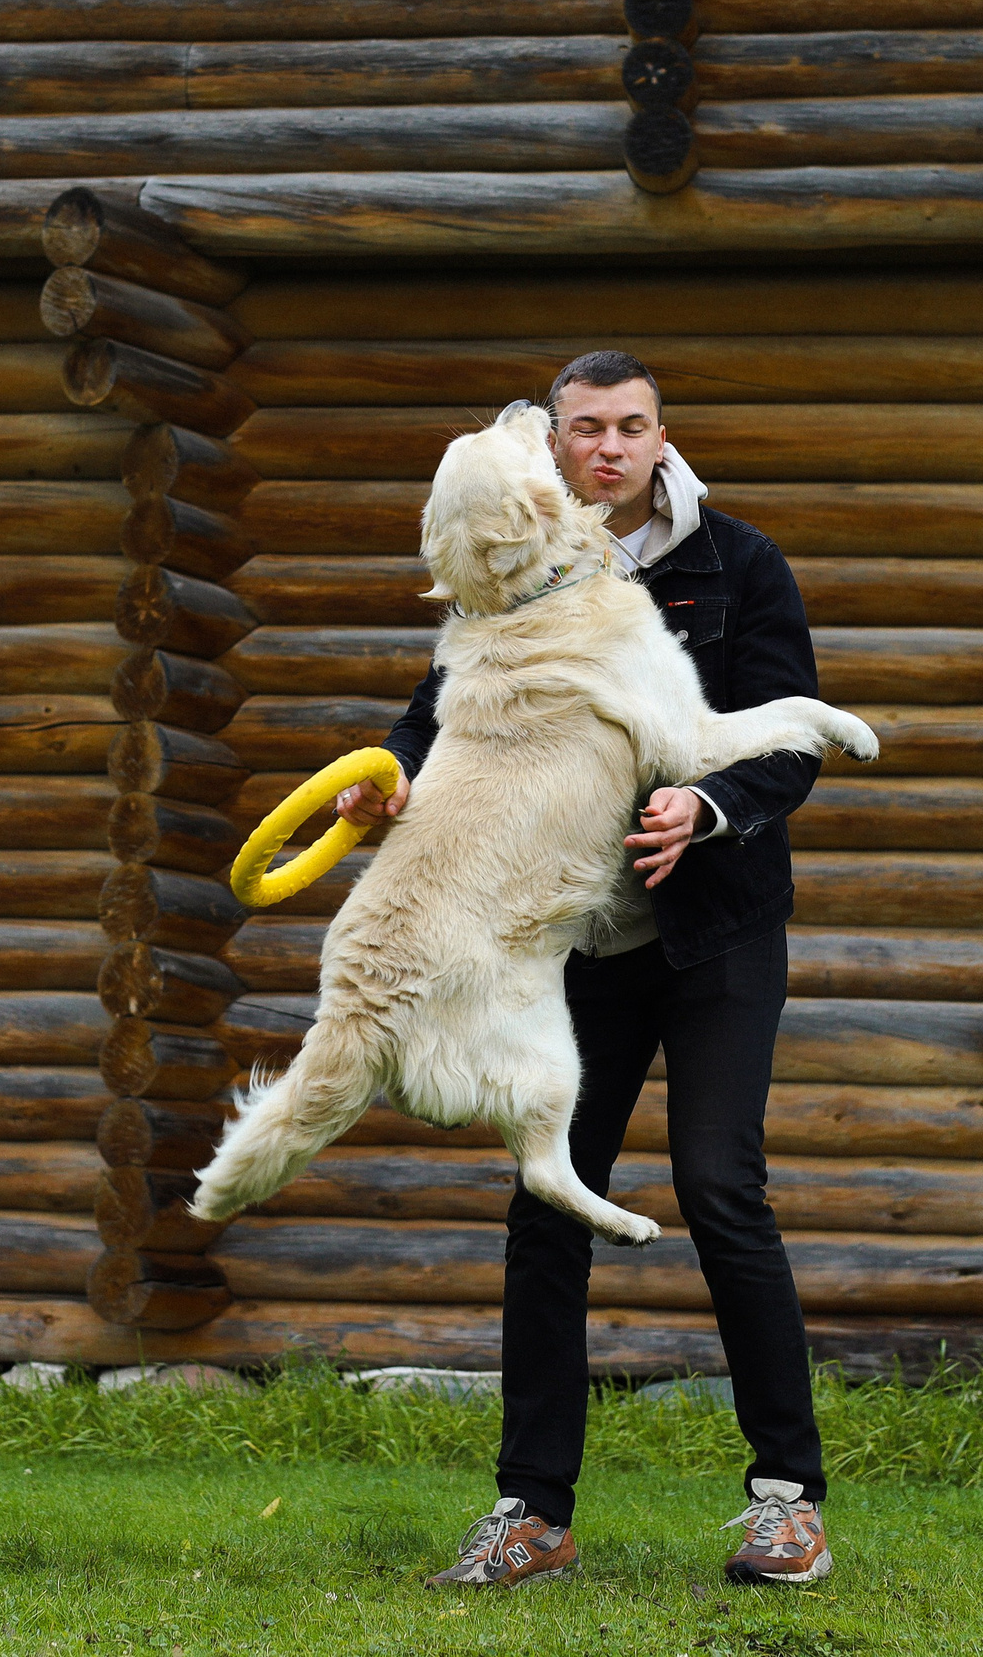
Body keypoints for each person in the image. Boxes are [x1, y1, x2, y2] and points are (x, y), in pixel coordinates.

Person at [332, 350, 832, 1588]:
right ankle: (530, 1515)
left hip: (714, 932)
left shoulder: (738, 564)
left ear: (662, 438)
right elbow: (432, 708)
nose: (607, 447)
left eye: (631, 427)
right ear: (552, 446)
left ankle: (788, 1505)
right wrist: (389, 772)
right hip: (579, 940)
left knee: (722, 1189)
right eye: (585, 430)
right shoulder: (514, 565)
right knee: (546, 1208)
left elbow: (790, 734)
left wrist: (704, 813)